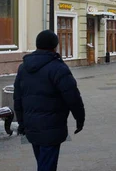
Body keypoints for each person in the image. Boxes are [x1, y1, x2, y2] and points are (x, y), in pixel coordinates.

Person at [14, 30, 85, 171]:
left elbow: (17, 97)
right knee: (47, 165)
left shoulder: (23, 68)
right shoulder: (58, 67)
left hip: (32, 125)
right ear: (55, 46)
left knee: (42, 162)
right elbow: (73, 97)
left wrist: (21, 122)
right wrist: (80, 118)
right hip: (52, 126)